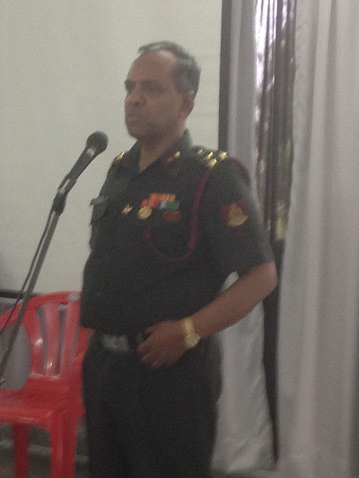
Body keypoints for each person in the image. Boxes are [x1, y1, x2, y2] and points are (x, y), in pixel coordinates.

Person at [80, 42, 278, 478]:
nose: (134, 98)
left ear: (186, 101)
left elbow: (261, 276)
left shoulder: (212, 175)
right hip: (106, 368)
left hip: (168, 375)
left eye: (150, 88)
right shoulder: (119, 169)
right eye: (130, 87)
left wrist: (189, 332)